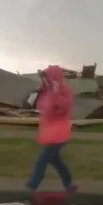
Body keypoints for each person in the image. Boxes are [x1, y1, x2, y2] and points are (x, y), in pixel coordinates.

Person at [26, 65, 78, 194]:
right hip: (48, 131)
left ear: (54, 78)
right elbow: (29, 105)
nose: (44, 81)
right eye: (43, 79)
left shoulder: (65, 91)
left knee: (42, 160)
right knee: (56, 161)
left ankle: (32, 186)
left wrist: (55, 93)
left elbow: (64, 107)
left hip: (59, 132)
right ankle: (69, 185)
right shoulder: (45, 91)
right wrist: (36, 92)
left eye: (46, 78)